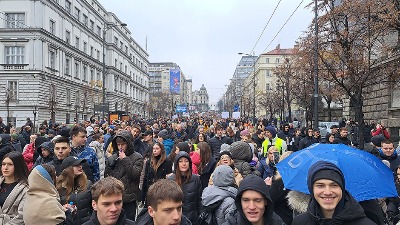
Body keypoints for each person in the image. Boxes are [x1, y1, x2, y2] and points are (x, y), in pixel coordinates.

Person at [291, 161, 376, 225]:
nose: (327, 192)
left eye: (334, 185)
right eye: (320, 185)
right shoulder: (300, 222)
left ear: (342, 188)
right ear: (311, 189)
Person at [105, 130, 143, 221]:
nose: (120, 147)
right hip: (114, 197)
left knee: (128, 221)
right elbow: (106, 177)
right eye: (118, 144)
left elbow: (134, 174)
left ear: (128, 144)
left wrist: (125, 159)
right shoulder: (114, 157)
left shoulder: (137, 157)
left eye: (123, 144)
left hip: (129, 199)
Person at [56, 156, 93, 224]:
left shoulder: (88, 184)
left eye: (80, 164)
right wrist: (62, 208)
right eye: (76, 165)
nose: (80, 167)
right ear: (67, 169)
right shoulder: (59, 188)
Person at [169, 151, 202, 225]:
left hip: (193, 219)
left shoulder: (196, 179)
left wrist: (200, 217)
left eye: (186, 161)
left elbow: (199, 201)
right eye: (180, 161)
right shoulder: (170, 180)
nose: (184, 164)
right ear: (177, 164)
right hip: (176, 219)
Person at [0, 152, 29, 224]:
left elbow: (21, 216)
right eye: (3, 164)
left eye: (10, 164)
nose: (5, 168)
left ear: (17, 166)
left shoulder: (25, 189)